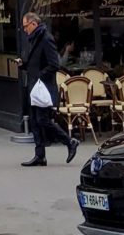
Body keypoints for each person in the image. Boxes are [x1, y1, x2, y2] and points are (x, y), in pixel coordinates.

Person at [17, 11, 79, 168]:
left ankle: (69, 141)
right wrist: (23, 65)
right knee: (34, 121)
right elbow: (35, 63)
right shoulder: (34, 38)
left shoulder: (45, 38)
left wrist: (39, 76)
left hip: (42, 87)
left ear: (33, 24)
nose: (25, 29)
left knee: (42, 120)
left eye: (26, 26)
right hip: (34, 87)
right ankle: (40, 155)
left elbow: (54, 64)